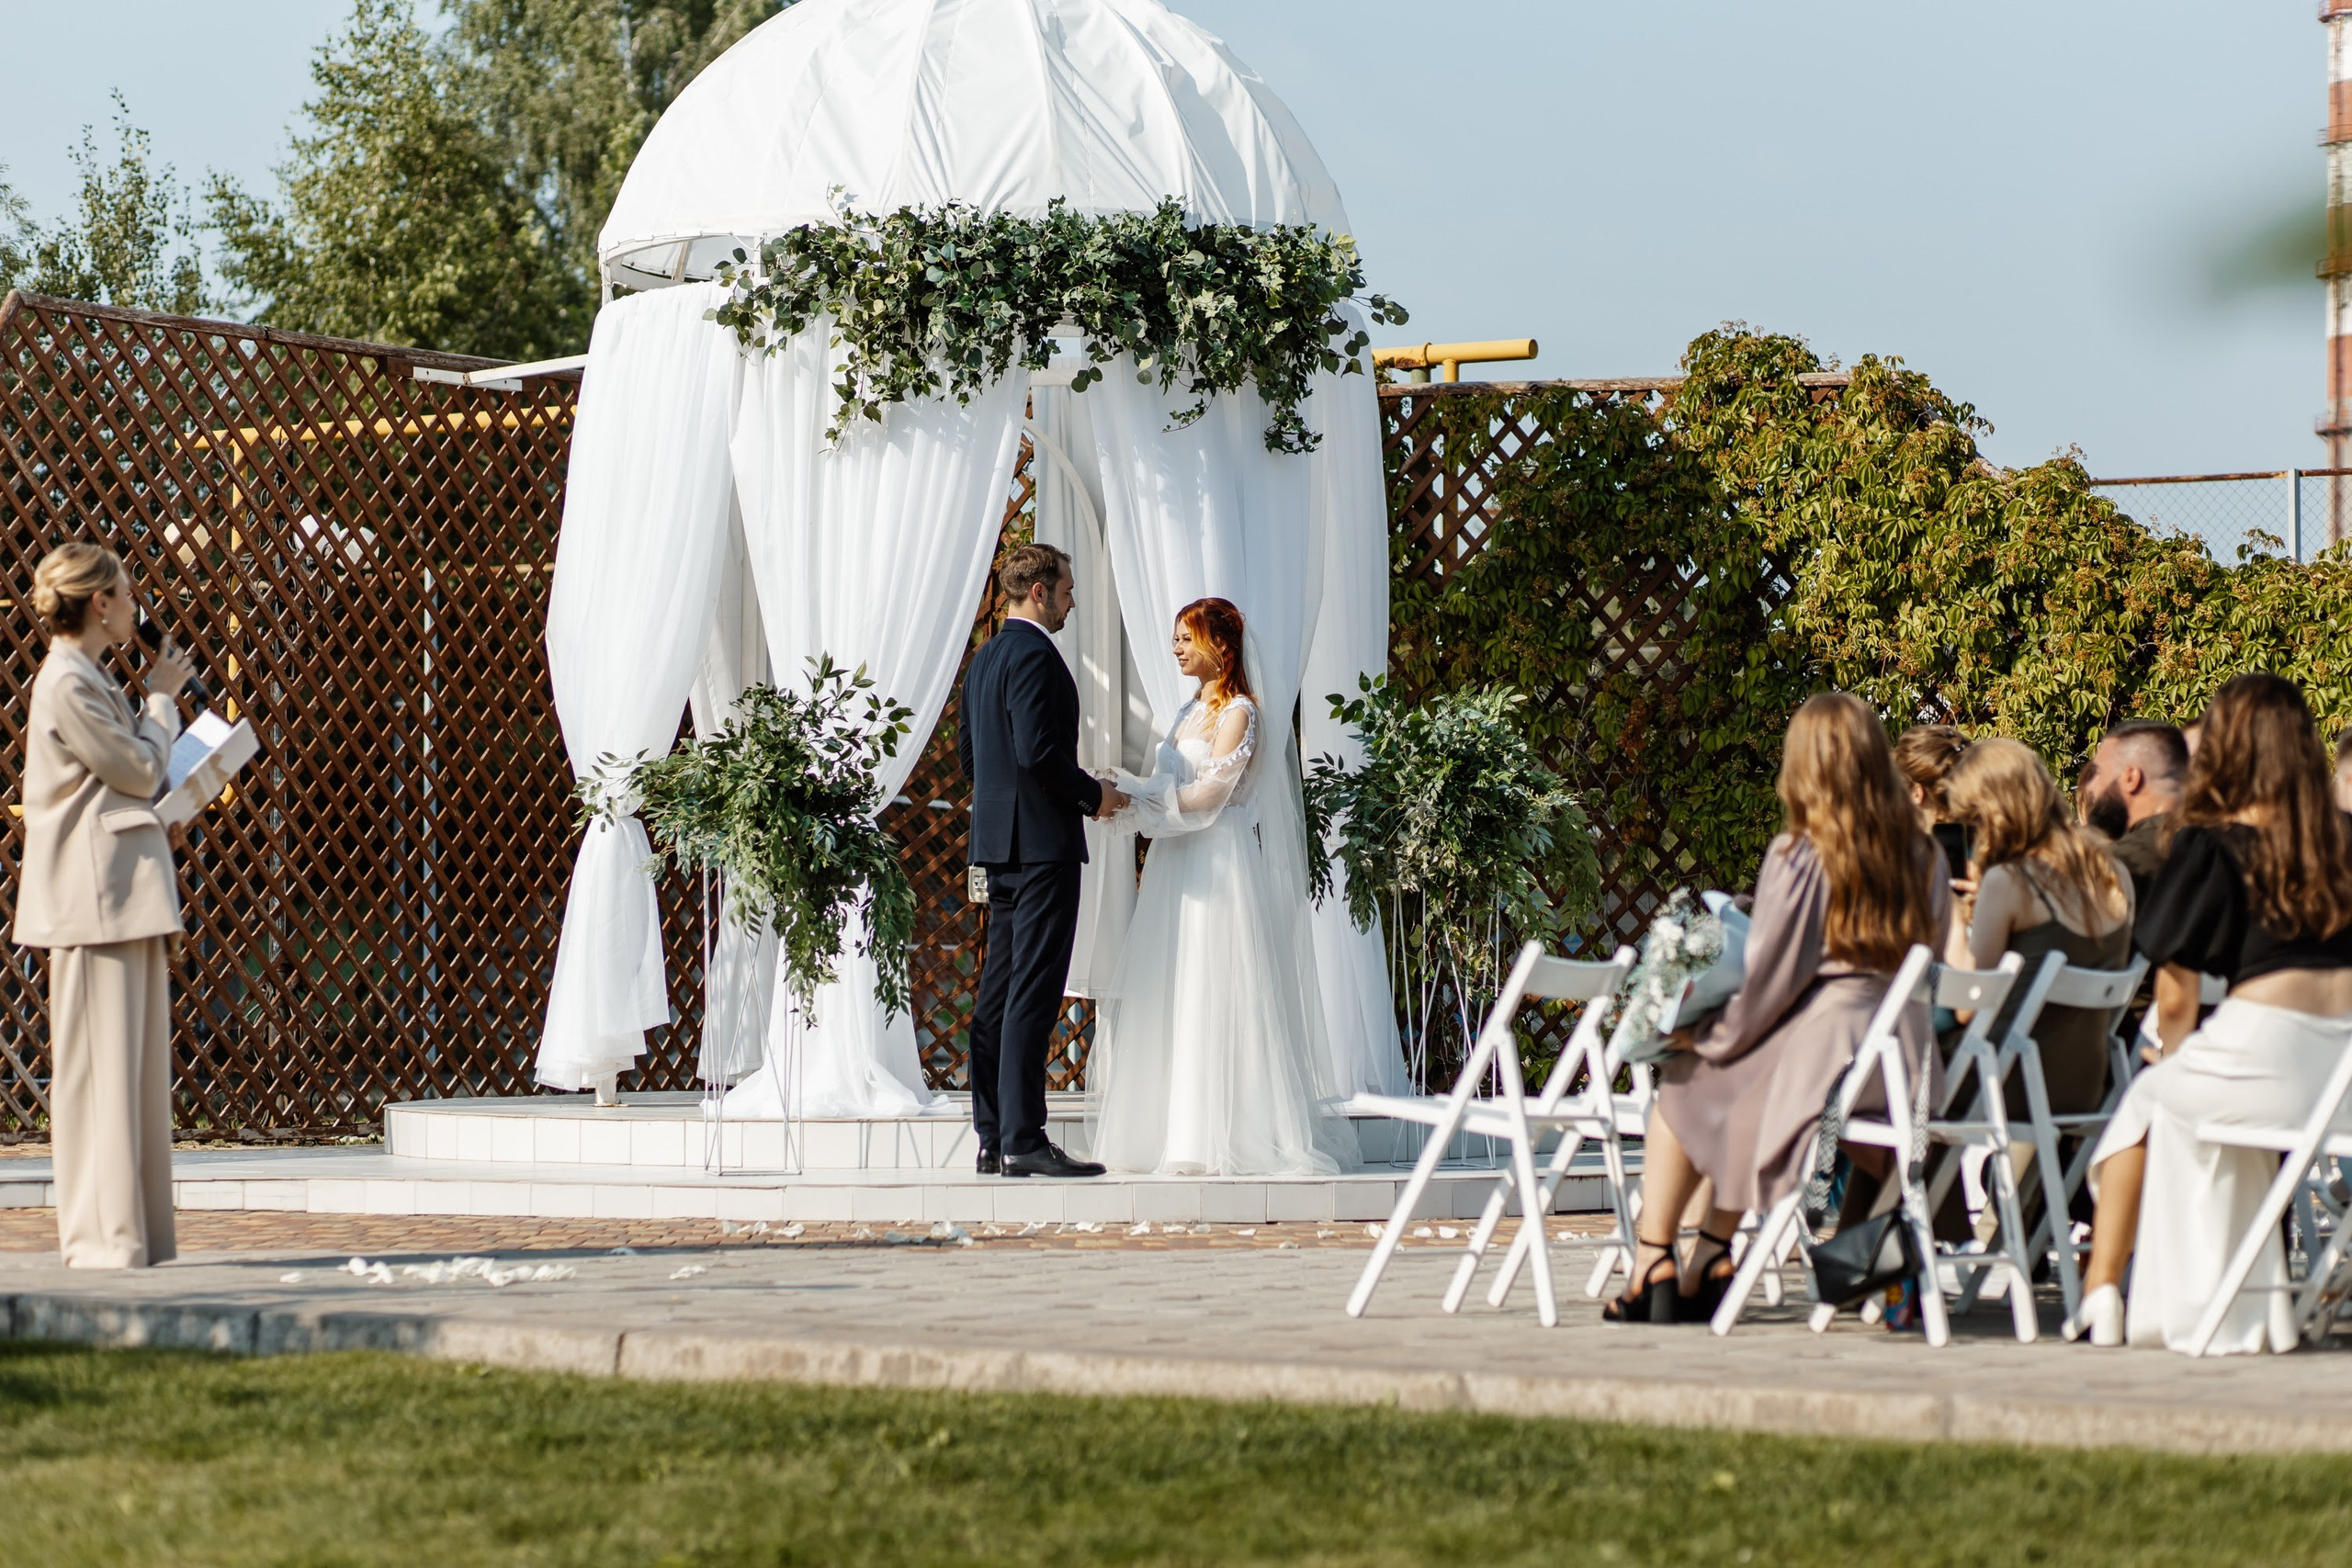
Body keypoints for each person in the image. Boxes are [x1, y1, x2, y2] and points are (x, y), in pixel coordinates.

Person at [1603, 692, 1949, 1323]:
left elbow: (1771, 982)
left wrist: (1709, 1036)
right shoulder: (1926, 854)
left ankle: (1653, 1259)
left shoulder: (1802, 853)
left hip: (1832, 1049)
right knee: (1736, 1092)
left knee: (1684, 1083)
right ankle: (1711, 1252)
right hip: (1909, 1058)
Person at [2065, 674, 2352, 1352]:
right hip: (2341, 1078)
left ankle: (2101, 1290)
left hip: (2262, 1051)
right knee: (2199, 1112)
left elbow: (2176, 993)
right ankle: (2247, 1300)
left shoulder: (2213, 843)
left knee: (2145, 1102)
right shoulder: (2344, 837)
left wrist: (2172, 1049)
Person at [1088, 599, 1359, 1177]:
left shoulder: (1240, 711)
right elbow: (1171, 782)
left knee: (1213, 983)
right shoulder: (1187, 710)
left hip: (1216, 860)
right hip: (1175, 861)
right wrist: (1132, 793)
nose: (1177, 648)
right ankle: (1165, 1129)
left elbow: (1210, 797)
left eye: (1188, 637)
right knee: (1172, 983)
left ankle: (1214, 1135)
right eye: (1175, 640)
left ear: (1223, 645)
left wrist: (1138, 802)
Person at [13, 542, 195, 1268]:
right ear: (100, 603)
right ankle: (103, 1239)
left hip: (121, 895)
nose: (135, 604)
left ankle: (132, 1234)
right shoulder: (68, 681)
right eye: (126, 591)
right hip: (96, 902)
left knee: (134, 1079)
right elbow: (136, 766)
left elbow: (124, 782)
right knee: (101, 1078)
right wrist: (160, 697)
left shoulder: (85, 676)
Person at [956, 544, 1127, 1179]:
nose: (1072, 601)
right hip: (1042, 848)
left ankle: (992, 1135)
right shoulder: (1034, 656)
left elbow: (973, 764)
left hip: (999, 845)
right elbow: (1036, 754)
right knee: (1032, 990)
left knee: (998, 991)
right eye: (1067, 590)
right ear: (1039, 593)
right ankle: (1024, 1136)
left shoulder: (984, 660)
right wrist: (1094, 795)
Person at [1945, 738, 2135, 1118]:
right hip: (2084, 1087)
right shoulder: (2115, 872)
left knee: (1883, 1078)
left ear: (1993, 815)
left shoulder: (2010, 881)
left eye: (1974, 821)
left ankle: (1904, 1178)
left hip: (2006, 1085)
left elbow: (1968, 1007)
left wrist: (1949, 911)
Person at [2077, 719, 2188, 915]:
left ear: (2131, 778)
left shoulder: (2118, 866)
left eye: (2098, 773)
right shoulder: (2222, 844)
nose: (2091, 787)